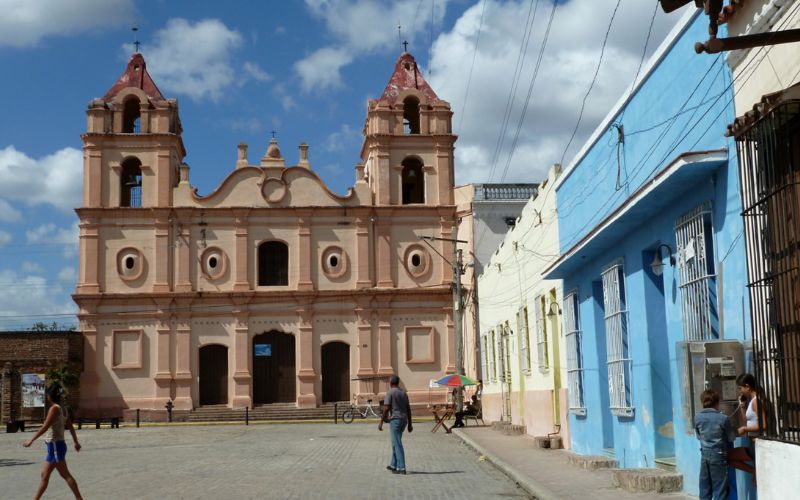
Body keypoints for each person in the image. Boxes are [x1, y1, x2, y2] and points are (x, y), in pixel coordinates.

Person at [22, 384, 84, 500]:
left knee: (65, 475)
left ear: (50, 395)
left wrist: (31, 440)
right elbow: (70, 427)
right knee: (44, 475)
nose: (46, 396)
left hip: (55, 445)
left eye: (47, 394)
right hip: (57, 446)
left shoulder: (54, 408)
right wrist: (76, 442)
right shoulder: (63, 408)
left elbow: (45, 427)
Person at [694, 389, 735, 499]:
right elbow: (731, 438)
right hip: (719, 456)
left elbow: (698, 436)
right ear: (717, 403)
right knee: (720, 488)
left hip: (704, 455)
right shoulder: (723, 418)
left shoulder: (697, 418)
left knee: (705, 488)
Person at [727, 373, 766, 483]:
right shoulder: (751, 401)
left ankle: (753, 471)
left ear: (747, 386)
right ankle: (754, 471)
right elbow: (749, 421)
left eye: (741, 388)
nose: (740, 391)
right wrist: (742, 406)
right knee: (757, 482)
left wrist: (745, 429)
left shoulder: (756, 402)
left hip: (756, 444)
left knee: (728, 456)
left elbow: (763, 425)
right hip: (752, 442)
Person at [378, 375, 413, 475]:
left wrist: (381, 422)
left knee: (397, 444)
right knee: (396, 442)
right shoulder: (403, 393)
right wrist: (410, 424)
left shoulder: (390, 392)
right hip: (404, 421)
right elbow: (408, 409)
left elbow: (386, 408)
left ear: (390, 383)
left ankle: (401, 467)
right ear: (398, 383)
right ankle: (393, 464)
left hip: (395, 421)